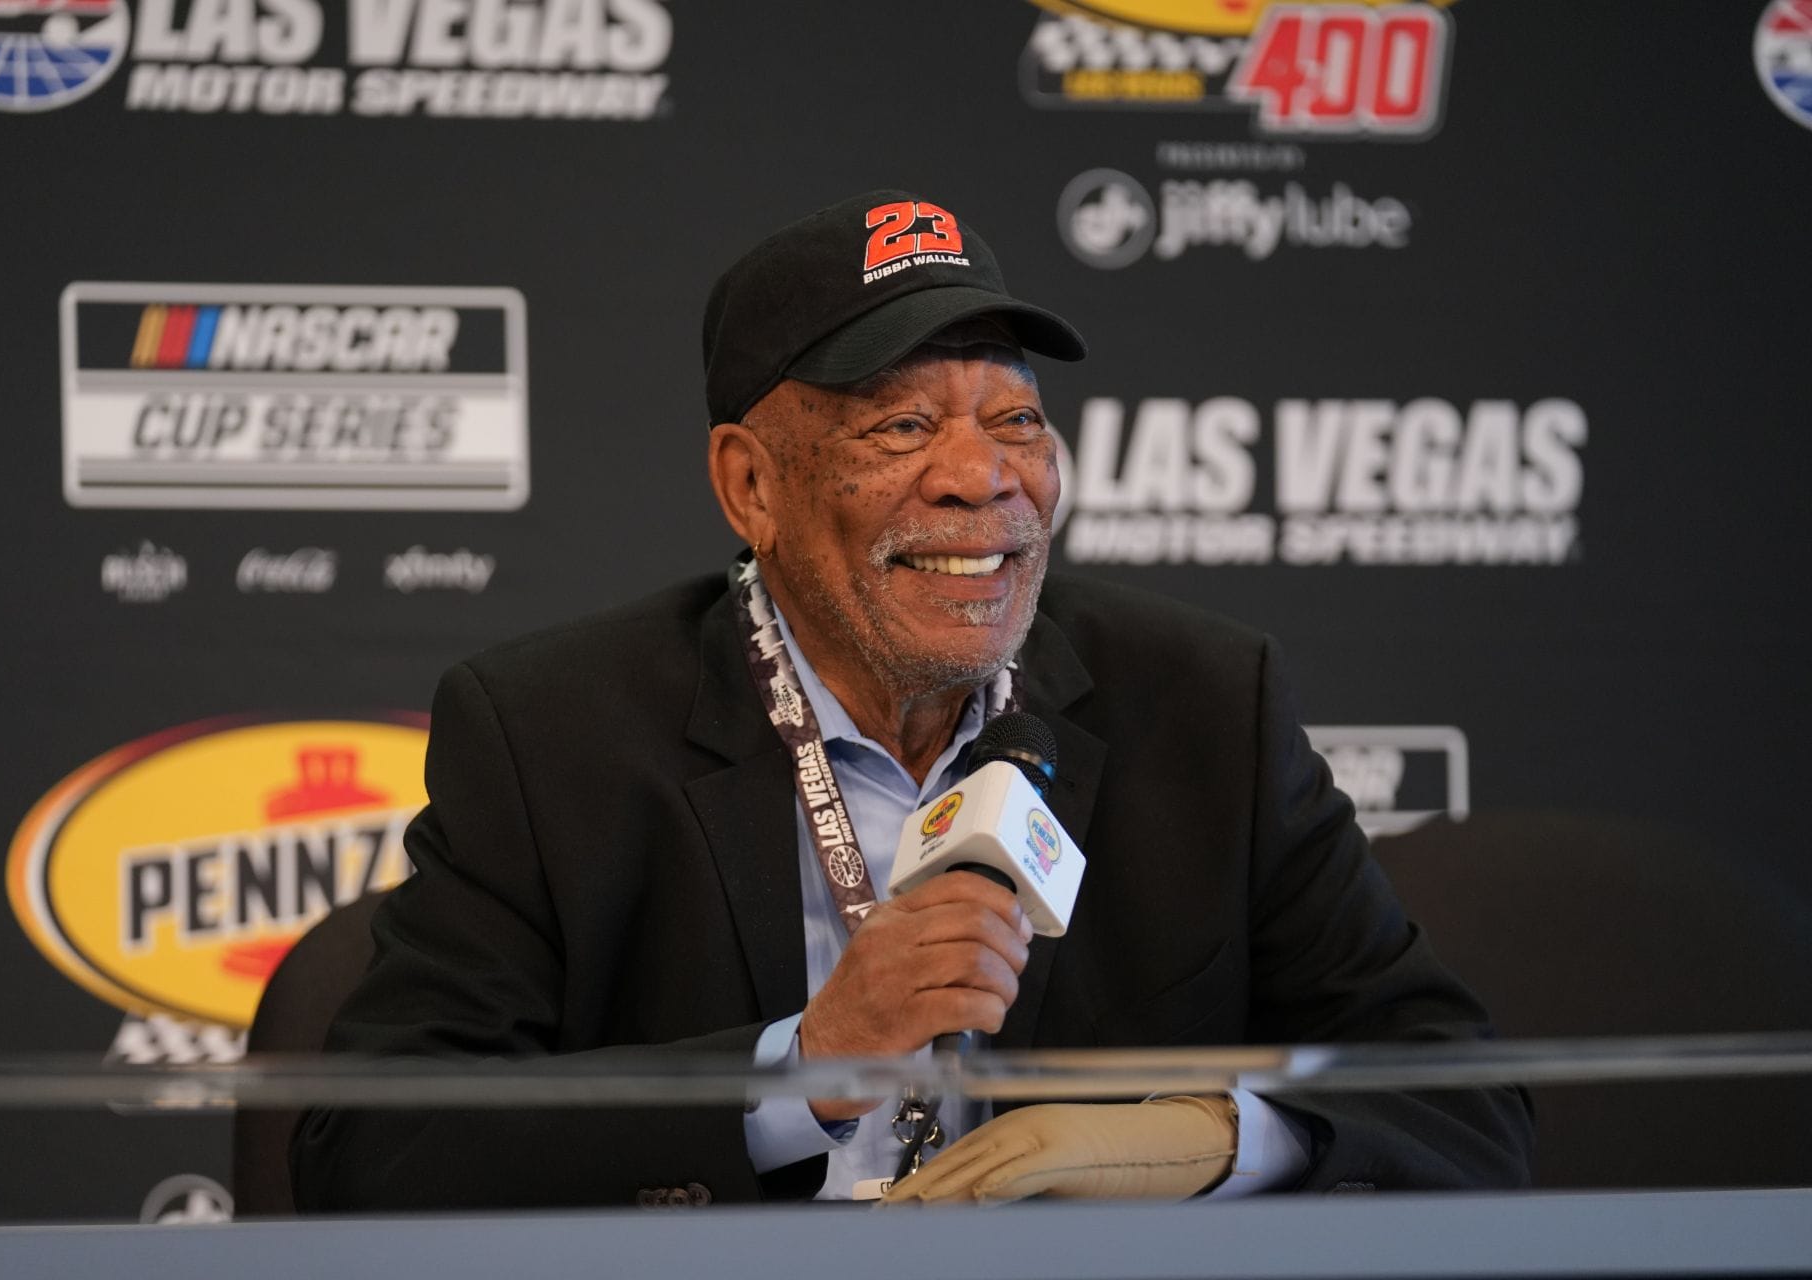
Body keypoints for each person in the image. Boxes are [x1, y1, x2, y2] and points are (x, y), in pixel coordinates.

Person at [291, 190, 1532, 1210]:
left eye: (1016, 418)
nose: (981, 478)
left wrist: (1209, 1136)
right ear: (751, 484)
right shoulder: (552, 732)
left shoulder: (1205, 703)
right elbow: (371, 1152)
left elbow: (1458, 1097)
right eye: (899, 426)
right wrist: (805, 1066)